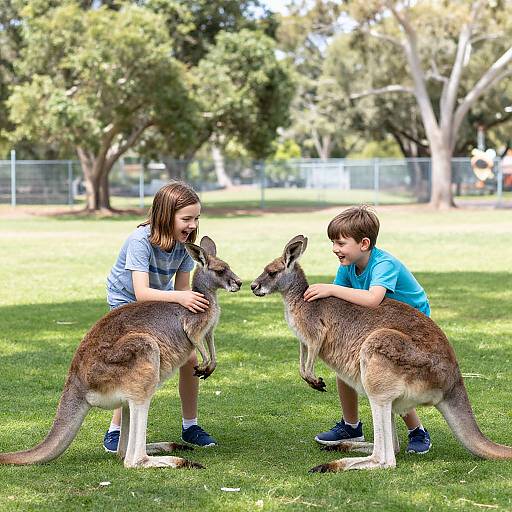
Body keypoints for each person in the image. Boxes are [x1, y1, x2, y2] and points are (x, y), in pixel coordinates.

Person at [303, 205, 432, 454]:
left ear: (364, 243)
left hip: (412, 327)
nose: (334, 249)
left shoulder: (384, 264)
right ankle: (352, 425)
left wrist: (330, 289)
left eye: (340, 243)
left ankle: (417, 431)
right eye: (333, 242)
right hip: (380, 323)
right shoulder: (348, 267)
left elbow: (373, 298)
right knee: (344, 362)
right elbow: (341, 304)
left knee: (385, 376)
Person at [102, 181, 216, 453]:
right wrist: (181, 299)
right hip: (126, 304)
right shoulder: (140, 240)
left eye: (196, 218)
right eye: (186, 218)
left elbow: (181, 289)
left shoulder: (185, 245)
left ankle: (191, 426)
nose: (192, 225)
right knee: (135, 363)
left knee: (188, 357)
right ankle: (115, 431)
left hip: (161, 301)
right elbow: (141, 293)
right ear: (166, 216)